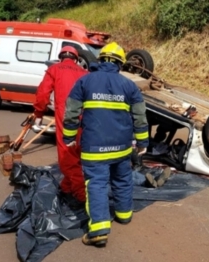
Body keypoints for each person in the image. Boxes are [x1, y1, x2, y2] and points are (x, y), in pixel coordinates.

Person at [62, 42, 149, 248]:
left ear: (100, 60)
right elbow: (140, 117)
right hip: (122, 148)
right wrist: (142, 142)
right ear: (120, 64)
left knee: (97, 185)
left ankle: (99, 231)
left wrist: (69, 137)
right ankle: (124, 214)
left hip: (94, 148)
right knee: (122, 179)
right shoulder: (129, 86)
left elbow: (71, 112)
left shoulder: (85, 81)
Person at [33, 46, 88, 204]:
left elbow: (43, 94)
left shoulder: (54, 70)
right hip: (84, 120)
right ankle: (67, 187)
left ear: (61, 57)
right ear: (76, 59)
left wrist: (38, 113)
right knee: (77, 154)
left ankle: (81, 196)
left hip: (65, 119)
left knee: (67, 157)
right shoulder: (84, 73)